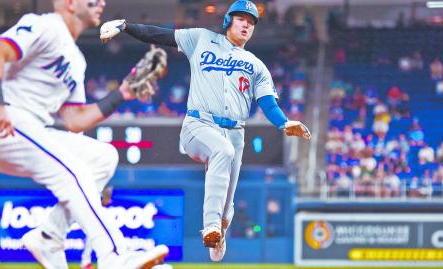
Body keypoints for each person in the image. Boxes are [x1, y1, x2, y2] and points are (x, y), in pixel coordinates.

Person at [100, 0, 311, 262]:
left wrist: (283, 123)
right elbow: (160, 35)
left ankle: (218, 230)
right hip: (198, 125)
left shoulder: (256, 65)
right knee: (222, 152)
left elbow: (267, 102)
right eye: (241, 19)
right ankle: (210, 226)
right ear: (228, 21)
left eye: (251, 21)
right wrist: (125, 26)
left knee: (227, 205)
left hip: (236, 132)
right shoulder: (201, 39)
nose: (246, 24)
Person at [0, 0, 168, 268]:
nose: (102, 3)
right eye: (94, 0)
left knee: (103, 157)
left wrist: (122, 93)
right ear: (70, 3)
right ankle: (115, 256)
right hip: (1, 121)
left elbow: (76, 120)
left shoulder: (76, 60)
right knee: (74, 172)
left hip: (29, 130)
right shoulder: (44, 25)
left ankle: (49, 237)